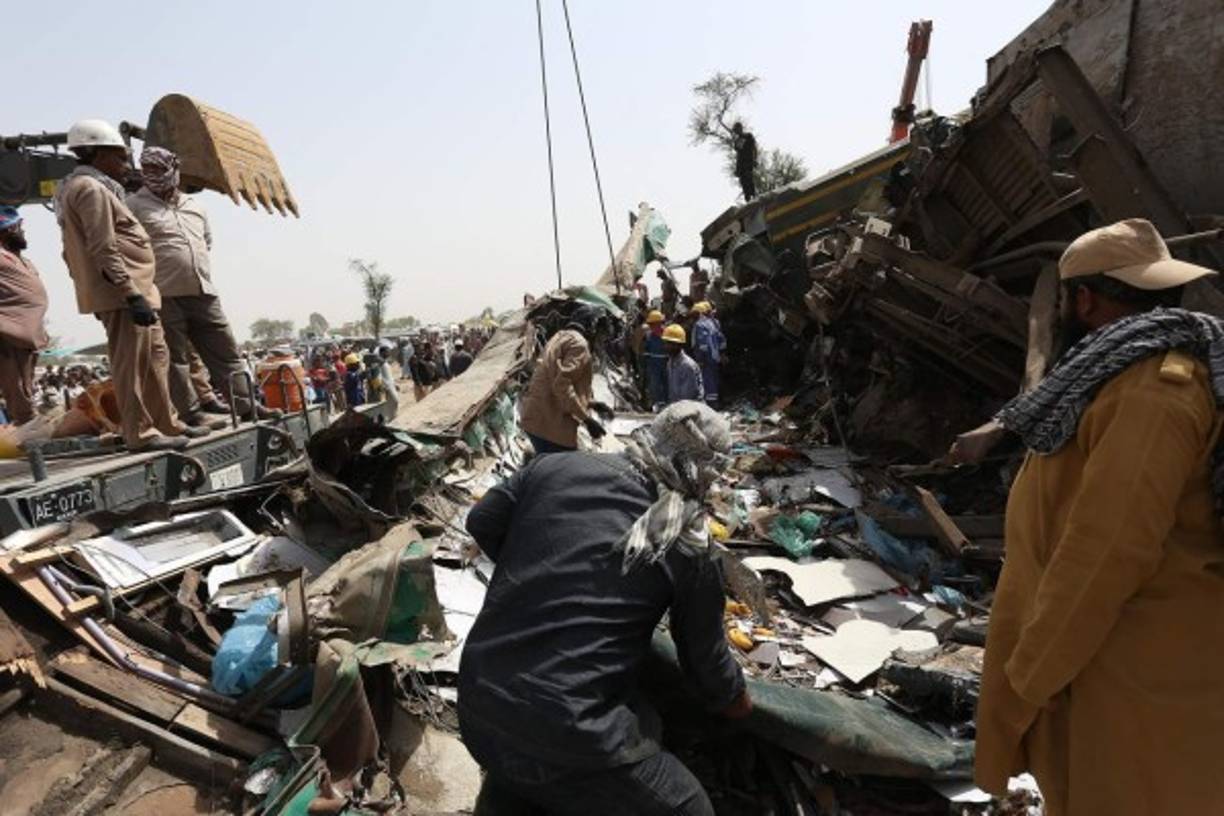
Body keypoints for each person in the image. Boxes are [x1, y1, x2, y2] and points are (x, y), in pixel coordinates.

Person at [972, 219, 1224, 816]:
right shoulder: (1115, 374)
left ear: (1083, 301)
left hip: (1132, 671)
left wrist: (1029, 676)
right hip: (1100, 660)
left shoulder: (1153, 392)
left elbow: (1107, 554)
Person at [460, 401, 752, 816]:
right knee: (692, 808)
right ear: (710, 471)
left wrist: (535, 571)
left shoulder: (554, 467)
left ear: (652, 432)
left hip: (478, 706)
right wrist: (738, 702)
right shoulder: (689, 544)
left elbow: (481, 521)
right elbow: (705, 661)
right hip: (572, 734)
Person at [54, 119, 200, 451]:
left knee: (155, 359)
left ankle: (165, 422)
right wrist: (130, 293)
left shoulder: (94, 188)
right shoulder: (90, 190)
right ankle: (140, 433)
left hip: (139, 290)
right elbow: (102, 246)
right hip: (125, 294)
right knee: (132, 365)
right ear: (97, 154)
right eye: (119, 158)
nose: (125, 165)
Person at [127, 146, 274, 425]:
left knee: (226, 353)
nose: (152, 175)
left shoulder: (195, 207)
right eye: (147, 170)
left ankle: (246, 407)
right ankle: (191, 413)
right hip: (163, 294)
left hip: (203, 291)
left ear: (173, 170)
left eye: (158, 169)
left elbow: (206, 242)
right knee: (176, 360)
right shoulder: (134, 206)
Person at [519, 306, 607, 454]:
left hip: (535, 418)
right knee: (564, 465)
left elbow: (556, 379)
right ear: (591, 326)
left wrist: (592, 404)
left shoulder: (559, 337)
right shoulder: (579, 344)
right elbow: (561, 385)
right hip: (551, 426)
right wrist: (587, 420)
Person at [0, 206, 50, 424]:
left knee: (27, 387)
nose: (23, 231)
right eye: (18, 227)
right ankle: (27, 434)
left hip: (27, 336)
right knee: (17, 389)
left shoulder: (19, 259)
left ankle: (28, 430)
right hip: (7, 334)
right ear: (7, 230)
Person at [690, 302, 726, 407]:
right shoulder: (713, 323)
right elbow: (721, 339)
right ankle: (715, 402)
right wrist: (722, 353)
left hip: (706, 358)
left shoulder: (699, 325)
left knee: (707, 380)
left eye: (695, 314)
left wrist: (700, 358)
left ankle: (710, 404)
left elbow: (702, 343)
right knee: (714, 379)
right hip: (714, 357)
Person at [663, 324, 703, 404]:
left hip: (691, 407)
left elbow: (688, 396)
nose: (666, 346)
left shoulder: (687, 365)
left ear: (679, 345)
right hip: (678, 405)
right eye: (666, 343)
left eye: (670, 344)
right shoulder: (670, 362)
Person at [641, 310, 668, 409]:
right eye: (650, 324)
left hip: (666, 363)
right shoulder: (648, 335)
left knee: (667, 384)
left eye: (653, 324)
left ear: (659, 323)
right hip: (653, 364)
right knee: (655, 384)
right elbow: (645, 351)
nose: (651, 326)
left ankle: (667, 403)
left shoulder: (667, 334)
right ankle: (658, 404)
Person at [731, 122, 757, 202]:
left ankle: (754, 197)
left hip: (748, 162)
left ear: (741, 128)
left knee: (749, 180)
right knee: (743, 183)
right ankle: (748, 200)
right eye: (735, 130)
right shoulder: (737, 140)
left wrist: (755, 159)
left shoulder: (748, 136)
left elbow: (754, 148)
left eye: (737, 129)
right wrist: (737, 168)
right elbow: (738, 153)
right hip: (741, 165)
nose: (736, 131)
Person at [376, 341, 399, 415]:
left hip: (391, 385)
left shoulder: (385, 362)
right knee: (394, 401)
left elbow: (389, 375)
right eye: (387, 352)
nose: (389, 353)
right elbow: (379, 375)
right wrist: (383, 385)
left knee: (394, 402)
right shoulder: (379, 362)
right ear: (382, 352)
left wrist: (395, 384)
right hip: (387, 386)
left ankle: (392, 417)